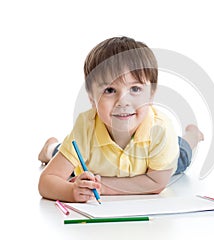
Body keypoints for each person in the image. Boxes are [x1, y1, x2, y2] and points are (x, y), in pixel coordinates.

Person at [38, 36, 204, 203]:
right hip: (93, 163)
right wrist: (72, 191)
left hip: (151, 165)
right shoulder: (86, 128)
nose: (123, 101)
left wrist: (103, 186)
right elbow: (47, 181)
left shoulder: (160, 128)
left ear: (151, 94)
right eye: (109, 90)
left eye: (135, 89)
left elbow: (156, 183)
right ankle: (50, 148)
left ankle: (192, 135)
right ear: (91, 98)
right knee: (69, 161)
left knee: (182, 153)